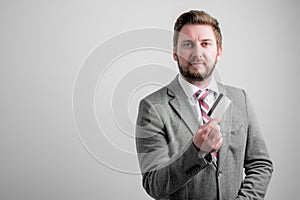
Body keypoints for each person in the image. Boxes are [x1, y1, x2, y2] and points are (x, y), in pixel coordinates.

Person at [135, 10, 273, 200]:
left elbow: (261, 165)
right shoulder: (152, 107)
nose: (197, 53)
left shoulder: (240, 99)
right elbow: (154, 185)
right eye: (187, 44)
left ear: (219, 52)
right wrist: (195, 151)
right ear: (175, 53)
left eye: (205, 44)